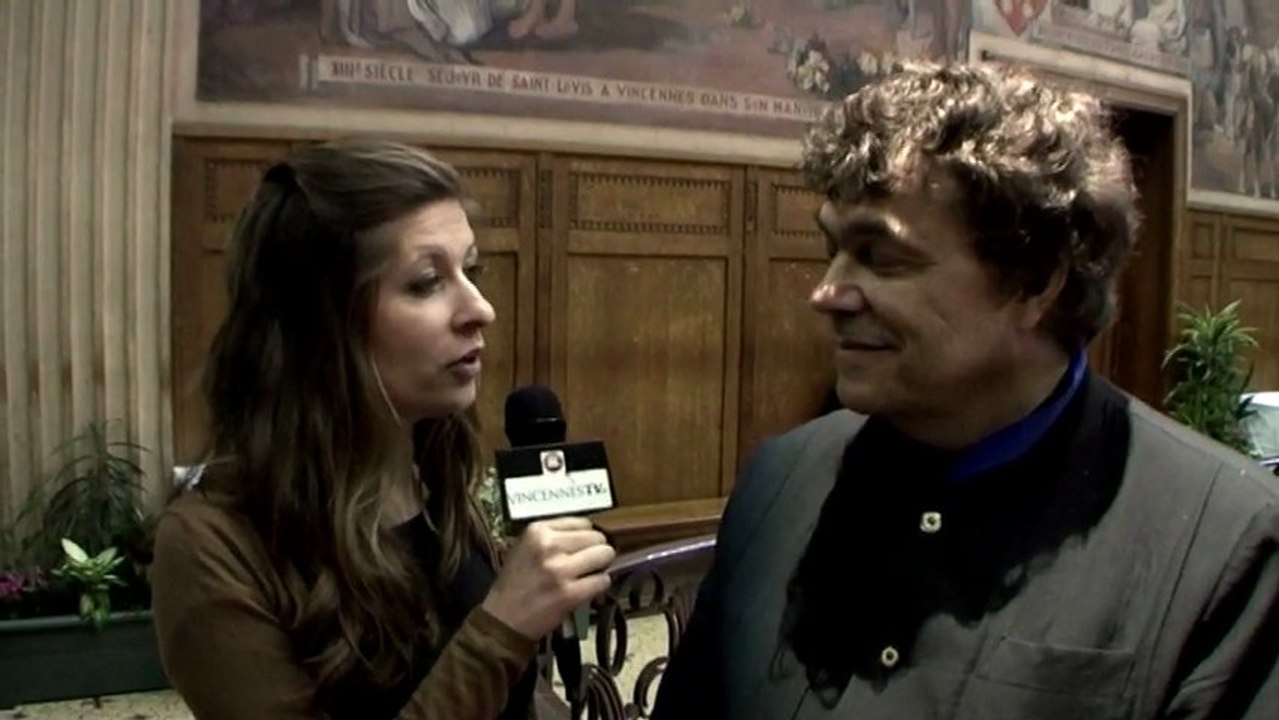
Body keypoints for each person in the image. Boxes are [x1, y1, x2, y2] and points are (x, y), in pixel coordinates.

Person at [653, 61, 1279, 719]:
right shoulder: (778, 481)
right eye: (831, 248)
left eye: (881, 257)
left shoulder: (1229, 549)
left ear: (1038, 281)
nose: (827, 293)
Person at [150, 139, 615, 719]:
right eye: (426, 282)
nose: (481, 309)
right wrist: (503, 626)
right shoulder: (211, 547)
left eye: (470, 270)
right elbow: (491, 648)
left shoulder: (435, 470)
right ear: (320, 324)